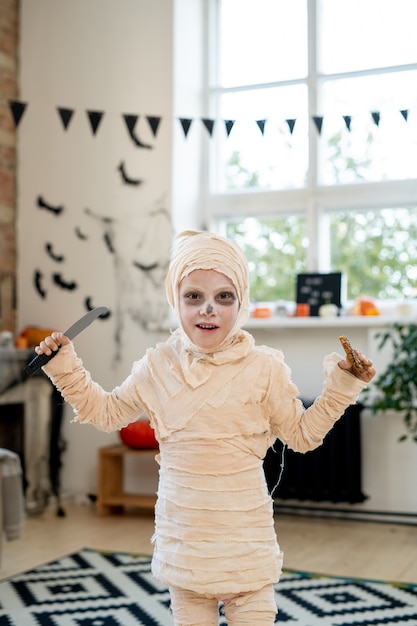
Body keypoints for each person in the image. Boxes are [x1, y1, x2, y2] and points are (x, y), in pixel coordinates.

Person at [35, 230, 375, 626]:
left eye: (223, 297)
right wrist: (64, 368)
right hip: (186, 547)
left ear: (241, 301)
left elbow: (302, 435)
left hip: (246, 544)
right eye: (193, 296)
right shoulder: (157, 367)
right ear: (175, 301)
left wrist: (343, 386)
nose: (207, 309)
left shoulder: (264, 368)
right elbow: (106, 413)